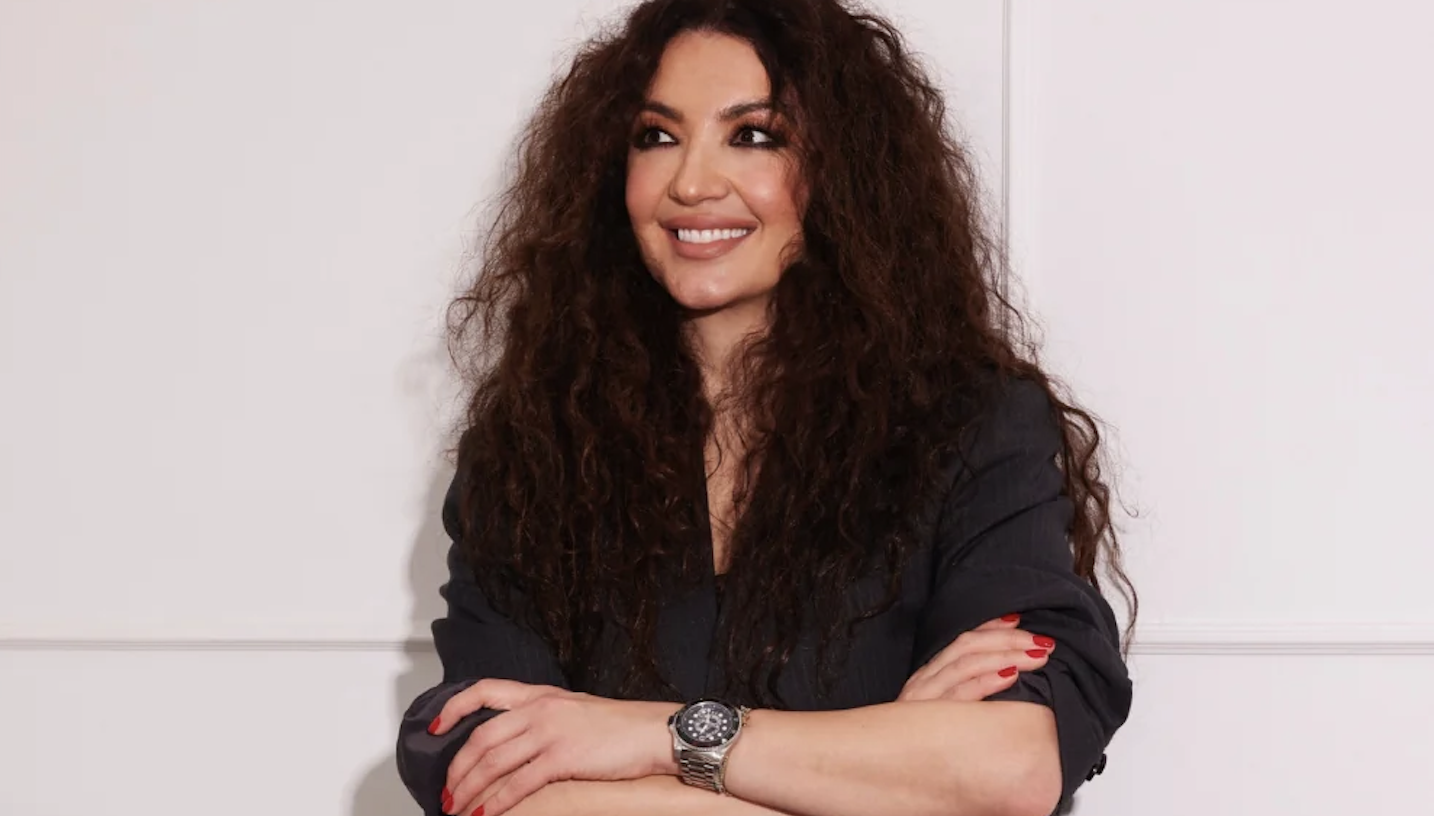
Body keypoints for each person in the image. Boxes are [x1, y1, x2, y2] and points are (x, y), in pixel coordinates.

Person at [396, 1, 1135, 815]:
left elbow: (1015, 767)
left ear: (843, 171)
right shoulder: (532, 449)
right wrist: (884, 770)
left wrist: (652, 736)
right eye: (656, 135)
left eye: (753, 135)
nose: (691, 182)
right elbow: (492, 780)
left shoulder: (974, 428)